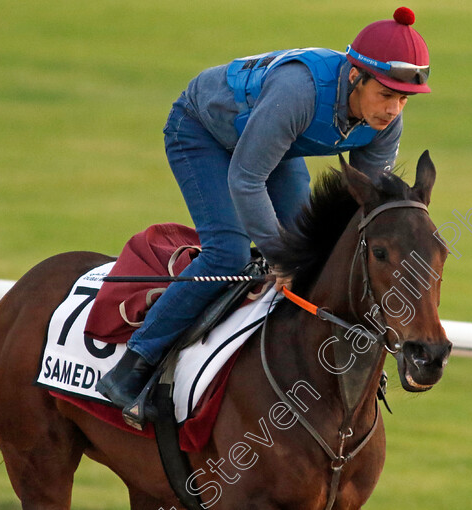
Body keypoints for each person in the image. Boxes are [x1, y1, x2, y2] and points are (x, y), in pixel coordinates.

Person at [97, 7, 432, 409]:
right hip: (201, 133)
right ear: (355, 77)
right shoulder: (299, 92)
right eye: (385, 94)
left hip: (274, 143)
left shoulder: (384, 122)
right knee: (228, 254)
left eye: (403, 99)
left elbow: (364, 206)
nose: (393, 110)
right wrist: (280, 258)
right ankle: (134, 365)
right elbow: (245, 179)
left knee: (314, 260)